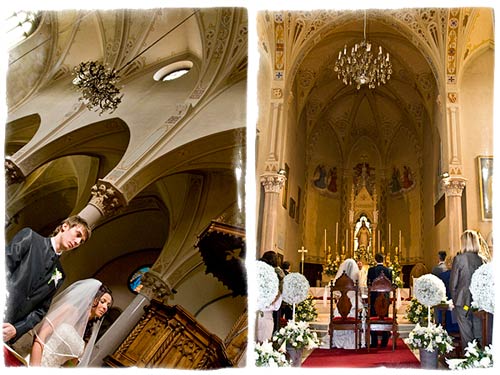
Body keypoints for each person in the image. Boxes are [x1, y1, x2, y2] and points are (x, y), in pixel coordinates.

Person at [3, 216, 92, 344]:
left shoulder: (60, 275)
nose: (77, 241)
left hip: (7, 330)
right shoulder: (30, 238)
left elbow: (40, 311)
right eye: (77, 234)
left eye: (81, 241)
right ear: (65, 226)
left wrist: (17, 329)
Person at [29, 279, 112, 367]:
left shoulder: (88, 333)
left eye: (108, 305)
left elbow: (71, 364)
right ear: (92, 298)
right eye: (103, 302)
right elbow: (41, 335)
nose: (105, 307)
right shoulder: (68, 310)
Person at [450, 229, 485, 350]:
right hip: (478, 301)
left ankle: (469, 356)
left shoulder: (459, 259)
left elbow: (453, 283)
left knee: (466, 330)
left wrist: (455, 300)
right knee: (478, 328)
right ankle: (481, 356)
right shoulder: (482, 259)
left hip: (463, 301)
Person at [330, 258, 364, 349]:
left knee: (339, 313)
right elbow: (360, 291)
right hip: (353, 303)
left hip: (341, 306)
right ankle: (356, 340)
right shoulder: (355, 280)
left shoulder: (339, 282)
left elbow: (336, 294)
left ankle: (337, 341)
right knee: (361, 312)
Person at [255, 251, 283, 343]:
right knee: (263, 346)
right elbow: (276, 303)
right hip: (265, 314)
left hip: (249, 314)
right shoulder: (274, 276)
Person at [367, 253, 393, 348]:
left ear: (375, 260)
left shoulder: (371, 270)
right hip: (385, 300)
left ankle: (374, 342)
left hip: (374, 299)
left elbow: (368, 284)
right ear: (384, 259)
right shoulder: (388, 271)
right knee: (384, 317)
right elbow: (391, 285)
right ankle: (384, 341)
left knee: (373, 317)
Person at [437, 255, 459, 333]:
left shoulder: (442, 276)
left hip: (445, 304)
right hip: (458, 303)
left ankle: (442, 329)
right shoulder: (459, 275)